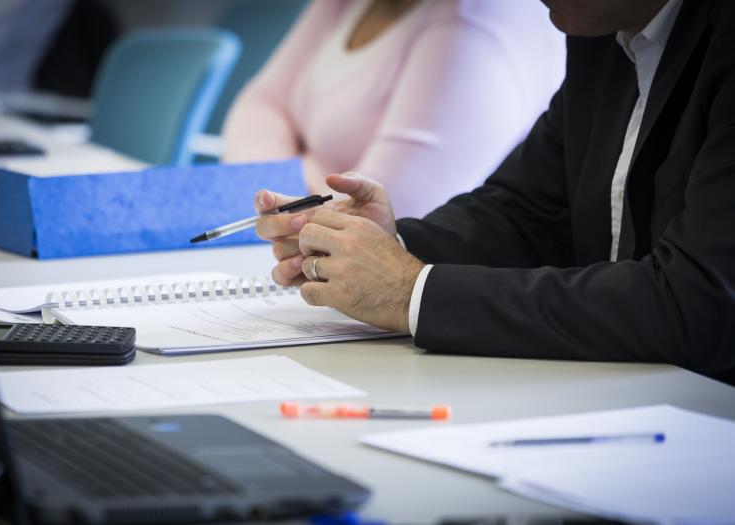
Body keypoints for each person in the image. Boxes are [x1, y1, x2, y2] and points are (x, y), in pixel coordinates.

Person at [253, 0, 735, 384]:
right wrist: (388, 246)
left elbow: (698, 301)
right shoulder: (604, 33)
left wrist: (409, 292)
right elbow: (527, 211)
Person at [222, 0, 565, 218]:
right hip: (298, 233)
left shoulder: (471, 26)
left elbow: (384, 212)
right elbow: (260, 103)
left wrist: (272, 190)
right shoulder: (346, 4)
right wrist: (272, 193)